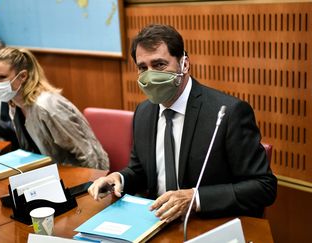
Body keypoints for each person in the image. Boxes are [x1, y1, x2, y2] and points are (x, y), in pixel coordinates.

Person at [88, 24, 277, 221]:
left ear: (184, 64)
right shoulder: (144, 112)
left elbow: (263, 186)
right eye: (143, 68)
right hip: (155, 220)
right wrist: (118, 178)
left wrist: (195, 198)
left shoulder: (228, 113)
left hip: (206, 223)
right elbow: (141, 171)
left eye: (159, 65)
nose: (150, 75)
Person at [0, 47, 109, 170]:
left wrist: (91, 185)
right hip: (48, 173)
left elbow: (88, 155)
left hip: (81, 175)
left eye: (1, 77)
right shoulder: (14, 103)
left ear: (23, 76)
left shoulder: (47, 106)